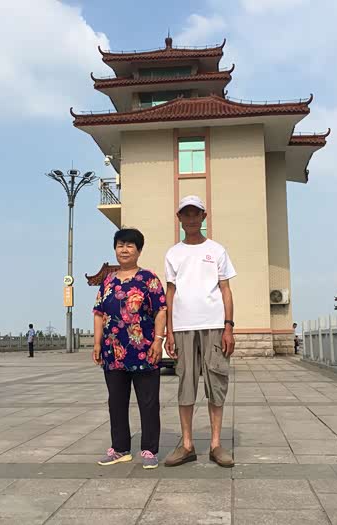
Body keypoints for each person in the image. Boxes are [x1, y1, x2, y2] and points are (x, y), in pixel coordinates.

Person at [163, 195, 237, 468]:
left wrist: (228, 327)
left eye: (196, 214)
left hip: (214, 326)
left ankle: (216, 445)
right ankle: (187, 445)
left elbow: (226, 290)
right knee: (186, 384)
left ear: (204, 217)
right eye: (187, 214)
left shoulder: (216, 250)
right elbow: (170, 293)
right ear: (179, 218)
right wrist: (169, 332)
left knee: (216, 382)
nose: (192, 218)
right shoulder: (173, 253)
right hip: (183, 327)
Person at [93, 228, 167, 470]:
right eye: (120, 245)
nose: (124, 250)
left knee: (148, 402)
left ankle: (150, 449)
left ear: (139, 250)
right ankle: (120, 448)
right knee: (116, 402)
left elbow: (161, 310)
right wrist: (97, 343)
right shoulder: (108, 281)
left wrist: (158, 340)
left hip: (144, 351)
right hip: (112, 352)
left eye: (130, 245)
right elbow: (98, 313)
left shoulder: (149, 279)